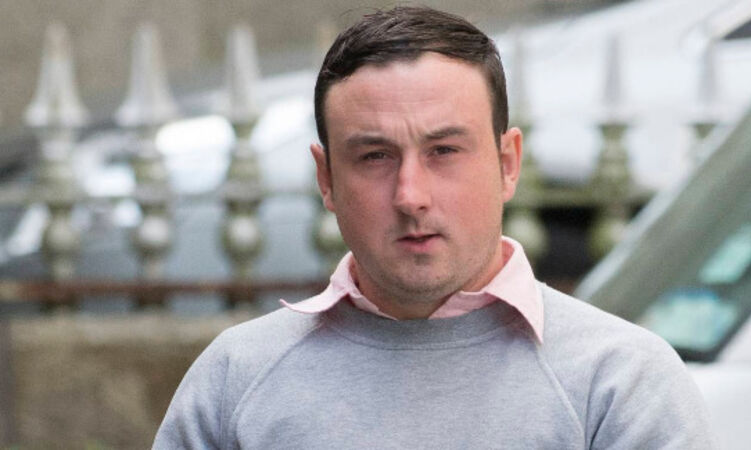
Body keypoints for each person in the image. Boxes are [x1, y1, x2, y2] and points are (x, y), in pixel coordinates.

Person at [154, 6, 715, 449]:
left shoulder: (619, 382)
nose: (410, 196)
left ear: (508, 164)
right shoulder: (235, 378)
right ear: (326, 178)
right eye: (374, 156)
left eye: (444, 151)